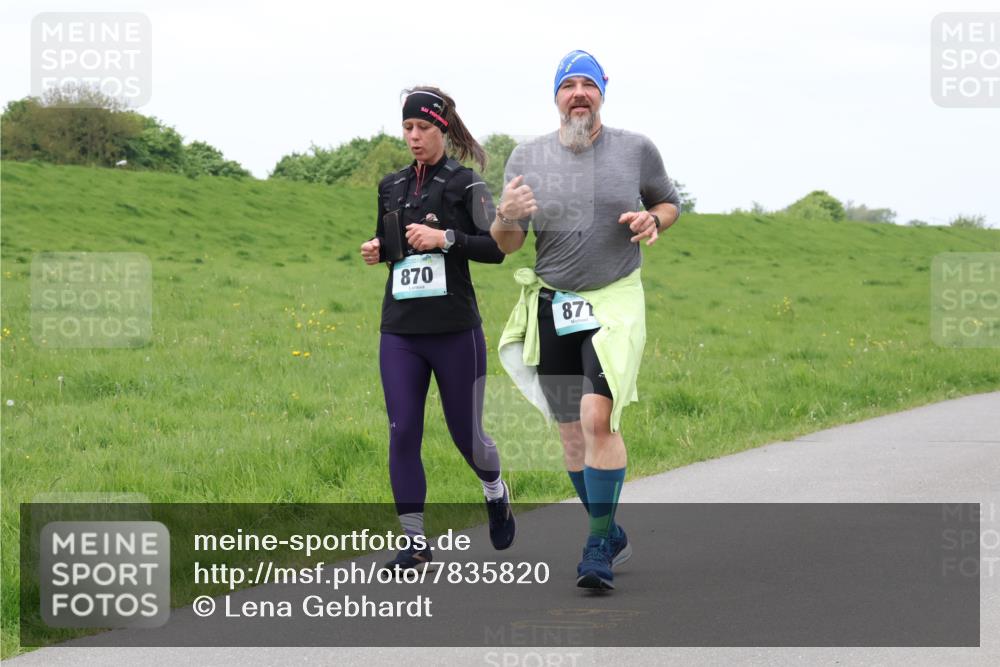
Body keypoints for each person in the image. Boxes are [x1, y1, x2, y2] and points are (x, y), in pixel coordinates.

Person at [490, 51, 681, 590]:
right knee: (572, 434)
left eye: (587, 85)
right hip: (554, 304)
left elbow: (670, 202)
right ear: (556, 96)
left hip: (613, 301)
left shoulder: (636, 149)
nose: (578, 93)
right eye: (568, 85)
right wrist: (506, 213)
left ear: (602, 93)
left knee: (600, 420)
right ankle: (608, 528)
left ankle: (596, 546)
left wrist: (653, 219)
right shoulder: (526, 157)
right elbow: (507, 246)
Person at [360, 86, 515, 570]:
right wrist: (378, 250)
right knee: (402, 430)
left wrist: (444, 238)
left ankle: (494, 488)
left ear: (441, 129)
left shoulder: (466, 184)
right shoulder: (391, 185)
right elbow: (395, 246)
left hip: (454, 331)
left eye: (422, 128)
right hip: (401, 330)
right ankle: (414, 543)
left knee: (465, 435)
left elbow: (496, 248)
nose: (413, 137)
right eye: (407, 128)